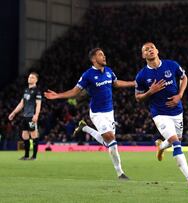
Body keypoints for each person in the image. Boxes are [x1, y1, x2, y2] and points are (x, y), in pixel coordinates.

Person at [44, 48, 134, 180]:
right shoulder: (88, 75)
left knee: (107, 142)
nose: (104, 56)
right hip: (97, 113)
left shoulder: (109, 71)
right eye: (100, 55)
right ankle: (120, 173)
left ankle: (84, 127)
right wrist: (58, 95)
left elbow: (116, 83)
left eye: (103, 54)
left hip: (110, 112)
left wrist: (133, 83)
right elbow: (75, 92)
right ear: (93, 59)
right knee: (112, 141)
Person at [135, 42, 188, 190]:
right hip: (160, 114)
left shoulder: (172, 65)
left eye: (152, 48)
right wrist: (150, 92)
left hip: (177, 111)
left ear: (157, 50)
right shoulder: (142, 76)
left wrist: (180, 95)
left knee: (175, 140)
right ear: (143, 55)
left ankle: (161, 146)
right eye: (146, 49)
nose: (150, 50)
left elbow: (184, 78)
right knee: (177, 143)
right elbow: (137, 97)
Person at [8, 72, 42, 160]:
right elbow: (21, 103)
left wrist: (36, 115)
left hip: (32, 116)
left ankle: (34, 156)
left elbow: (38, 104)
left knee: (34, 135)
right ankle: (26, 156)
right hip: (25, 116)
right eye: (29, 77)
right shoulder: (26, 90)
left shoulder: (37, 91)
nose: (29, 78)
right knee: (25, 135)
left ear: (36, 80)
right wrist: (14, 113)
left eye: (32, 77)